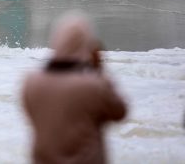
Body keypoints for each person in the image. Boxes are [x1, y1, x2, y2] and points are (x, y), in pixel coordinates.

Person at [21, 12, 127, 164]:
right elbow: (120, 113)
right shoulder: (93, 85)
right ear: (86, 45)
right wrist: (98, 71)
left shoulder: (32, 82)